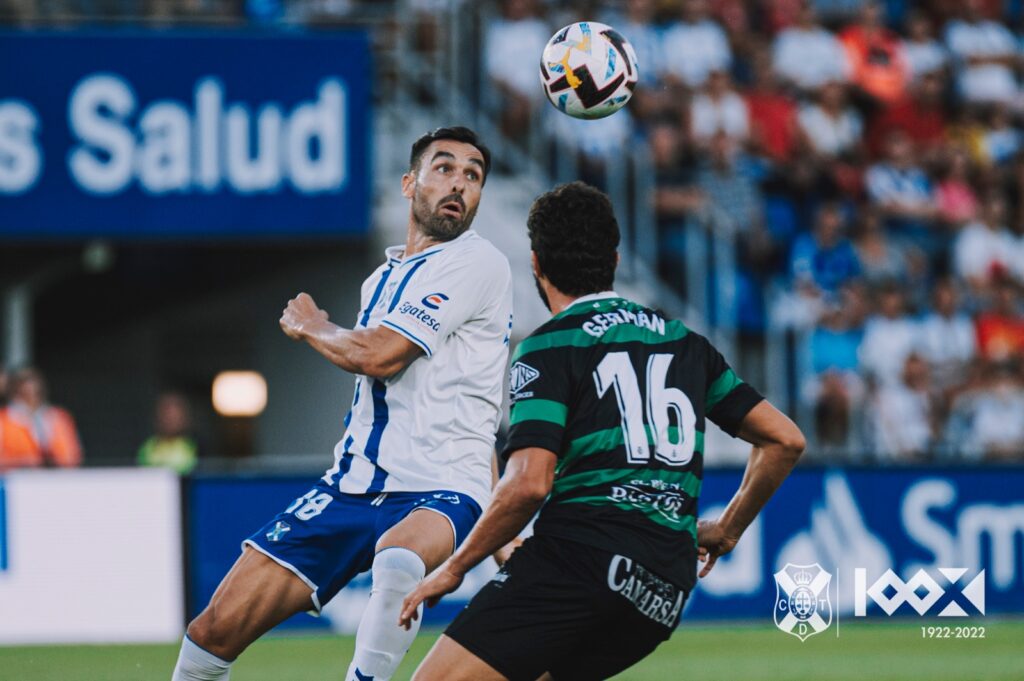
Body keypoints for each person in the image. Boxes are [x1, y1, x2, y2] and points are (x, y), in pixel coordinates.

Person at [399, 181, 806, 681]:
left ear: (536, 264)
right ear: (614, 259)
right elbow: (784, 440)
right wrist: (727, 528)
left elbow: (528, 483)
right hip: (662, 590)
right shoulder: (686, 344)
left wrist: (455, 567)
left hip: (579, 559)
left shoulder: (550, 347)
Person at [171, 127, 514, 681]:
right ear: (409, 184)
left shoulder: (478, 262)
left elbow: (380, 355)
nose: (459, 184)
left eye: (472, 176)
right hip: (350, 486)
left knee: (399, 560)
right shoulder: (381, 279)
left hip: (440, 486)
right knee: (212, 631)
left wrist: (312, 325)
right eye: (444, 168)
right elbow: (472, 402)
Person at [0, 367, 83, 470]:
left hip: (56, 476)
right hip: (16, 476)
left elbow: (72, 455)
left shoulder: (59, 417)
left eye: (36, 393)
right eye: (24, 392)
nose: (31, 394)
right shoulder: (3, 419)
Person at [137, 392, 200, 475]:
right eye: (166, 414)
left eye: (174, 416)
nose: (170, 420)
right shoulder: (148, 447)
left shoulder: (195, 447)